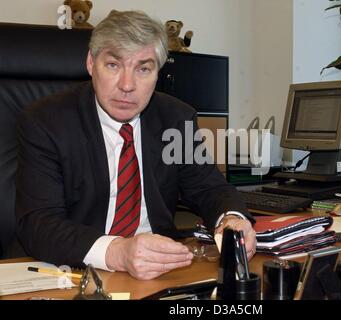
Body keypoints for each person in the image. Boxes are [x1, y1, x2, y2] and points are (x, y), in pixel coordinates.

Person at [14, 10, 256, 280]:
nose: (127, 85)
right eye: (114, 65)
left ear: (158, 73)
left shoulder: (175, 118)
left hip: (159, 273)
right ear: (91, 64)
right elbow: (38, 223)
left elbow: (209, 188)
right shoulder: (46, 121)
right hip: (76, 273)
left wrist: (231, 220)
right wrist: (118, 251)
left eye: (143, 68)